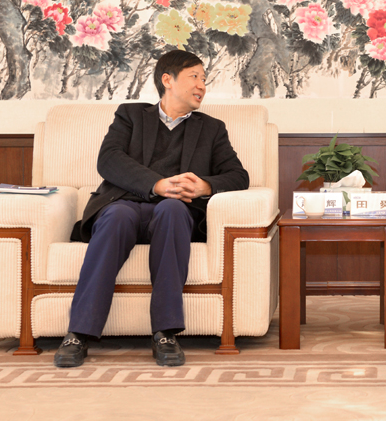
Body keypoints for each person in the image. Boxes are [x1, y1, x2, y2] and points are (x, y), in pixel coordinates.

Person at [54, 50, 249, 368]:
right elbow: (109, 160)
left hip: (174, 212)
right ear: (167, 80)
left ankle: (165, 333)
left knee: (172, 210)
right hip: (126, 203)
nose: (202, 85)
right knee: (117, 216)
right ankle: (78, 332)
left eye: (204, 79)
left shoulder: (212, 129)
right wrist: (156, 184)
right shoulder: (130, 115)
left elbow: (238, 176)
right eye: (194, 77)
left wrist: (204, 186)